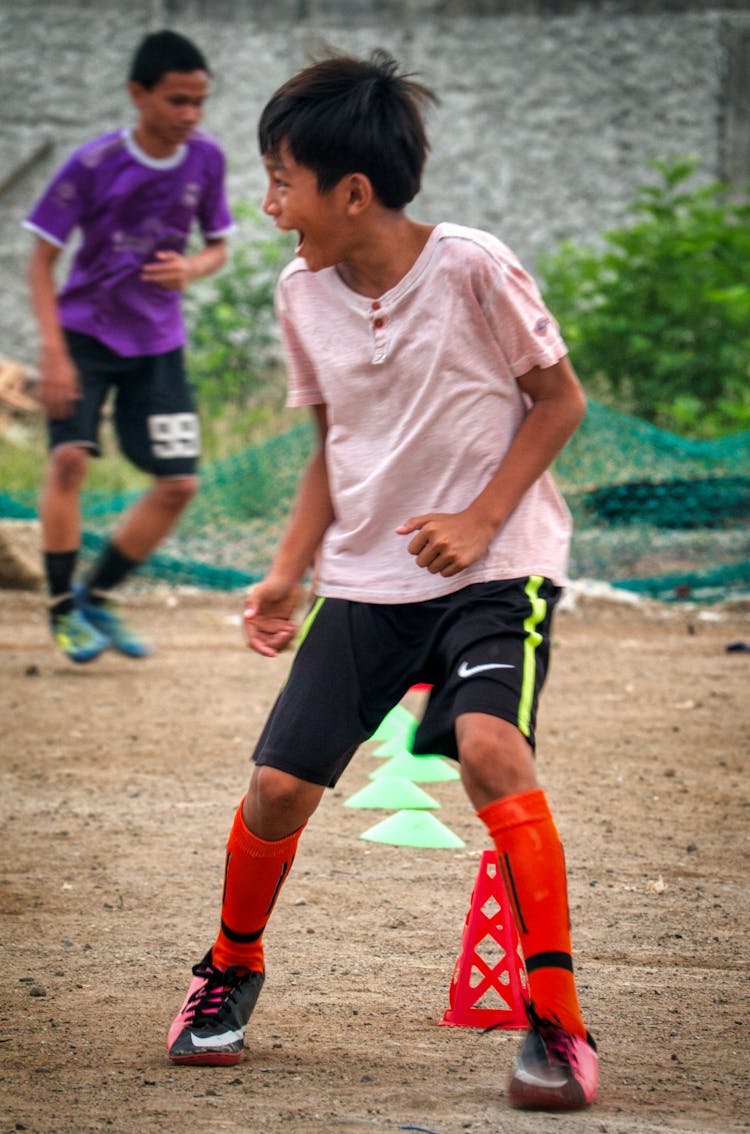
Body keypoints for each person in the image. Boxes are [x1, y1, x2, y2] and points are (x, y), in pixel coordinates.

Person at [167, 50, 598, 1112]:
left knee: (492, 749)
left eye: (282, 182)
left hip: (498, 567)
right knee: (278, 787)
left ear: (352, 192)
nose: (271, 209)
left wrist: (482, 517)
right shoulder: (299, 294)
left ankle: (558, 1021)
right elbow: (330, 445)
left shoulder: (473, 267)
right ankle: (228, 968)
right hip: (365, 577)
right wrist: (283, 575)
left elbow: (559, 401)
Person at [24, 29, 232, 663]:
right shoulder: (91, 164)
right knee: (69, 462)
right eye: (177, 101)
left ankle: (98, 597)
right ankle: (62, 609)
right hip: (85, 338)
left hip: (158, 345)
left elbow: (219, 246)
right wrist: (55, 355)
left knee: (178, 483)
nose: (190, 115)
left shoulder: (207, 159)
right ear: (137, 95)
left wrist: (191, 270)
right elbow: (40, 261)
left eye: (199, 101)